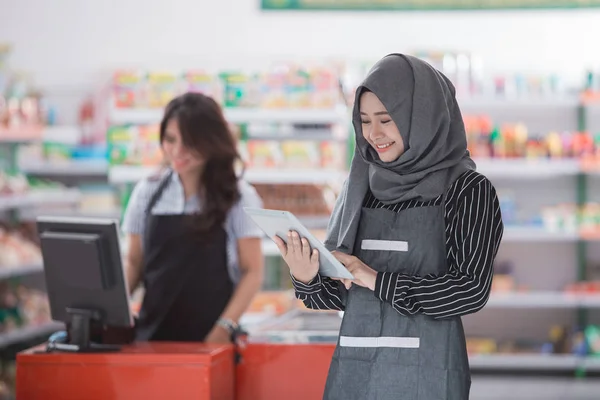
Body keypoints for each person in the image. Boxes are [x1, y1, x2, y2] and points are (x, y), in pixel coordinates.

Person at [274, 54, 504, 399]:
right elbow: (337, 295)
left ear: (422, 118)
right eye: (365, 121)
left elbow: (469, 290)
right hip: (356, 370)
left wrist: (377, 280)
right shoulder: (361, 186)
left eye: (386, 119)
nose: (373, 134)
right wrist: (305, 276)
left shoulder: (469, 190)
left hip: (428, 374)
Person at [122, 92, 264, 344]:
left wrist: (223, 327)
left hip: (212, 341)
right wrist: (113, 310)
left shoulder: (239, 196)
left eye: (189, 142)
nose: (177, 151)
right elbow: (134, 263)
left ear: (211, 141)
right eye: (169, 139)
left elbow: (252, 271)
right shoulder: (147, 192)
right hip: (151, 339)